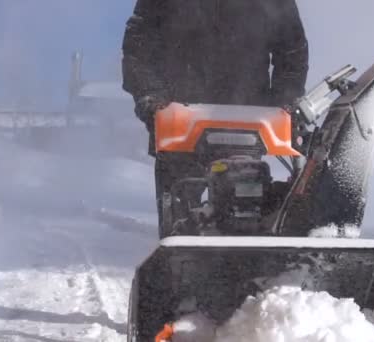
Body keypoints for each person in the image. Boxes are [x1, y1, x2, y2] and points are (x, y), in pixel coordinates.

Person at [121, 0, 309, 236]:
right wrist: (150, 94)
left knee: (245, 196)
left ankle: (246, 260)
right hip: (179, 119)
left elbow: (292, 49)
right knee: (181, 208)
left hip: (247, 118)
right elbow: (139, 47)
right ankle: (182, 255)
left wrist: (285, 98)